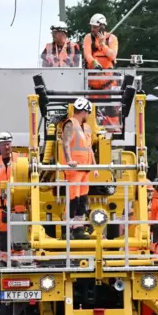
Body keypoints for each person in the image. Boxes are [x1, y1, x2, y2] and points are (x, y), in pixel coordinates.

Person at [59, 98, 99, 239]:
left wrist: (94, 167)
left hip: (85, 170)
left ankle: (78, 229)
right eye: (88, 112)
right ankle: (66, 230)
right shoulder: (71, 124)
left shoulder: (87, 128)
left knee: (83, 200)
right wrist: (69, 160)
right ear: (84, 111)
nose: (88, 115)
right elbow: (66, 143)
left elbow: (89, 149)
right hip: (74, 170)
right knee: (73, 199)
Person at [0, 132, 26, 259]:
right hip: (2, 205)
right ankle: (4, 258)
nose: (7, 147)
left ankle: (18, 258)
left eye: (8, 144)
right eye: (4, 145)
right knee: (3, 234)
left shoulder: (21, 159)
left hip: (19, 204)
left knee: (19, 234)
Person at [82, 13, 119, 90]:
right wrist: (94, 63)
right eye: (91, 26)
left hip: (109, 84)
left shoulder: (112, 38)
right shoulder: (88, 38)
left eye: (95, 27)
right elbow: (87, 55)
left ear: (102, 27)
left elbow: (112, 56)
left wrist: (102, 44)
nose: (92, 29)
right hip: (91, 84)